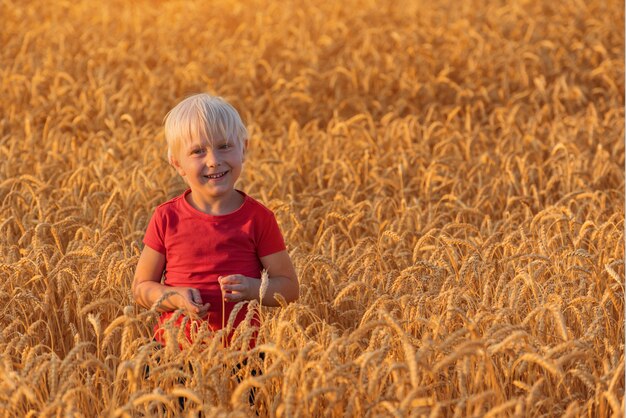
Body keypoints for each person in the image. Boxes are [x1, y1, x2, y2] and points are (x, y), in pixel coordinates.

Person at [132, 93, 298, 348]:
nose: (213, 160)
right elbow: (141, 288)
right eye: (198, 151)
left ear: (244, 149)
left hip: (242, 354)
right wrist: (174, 297)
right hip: (174, 352)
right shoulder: (166, 218)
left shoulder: (259, 219)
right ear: (177, 164)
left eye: (224, 146)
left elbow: (288, 288)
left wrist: (254, 289)